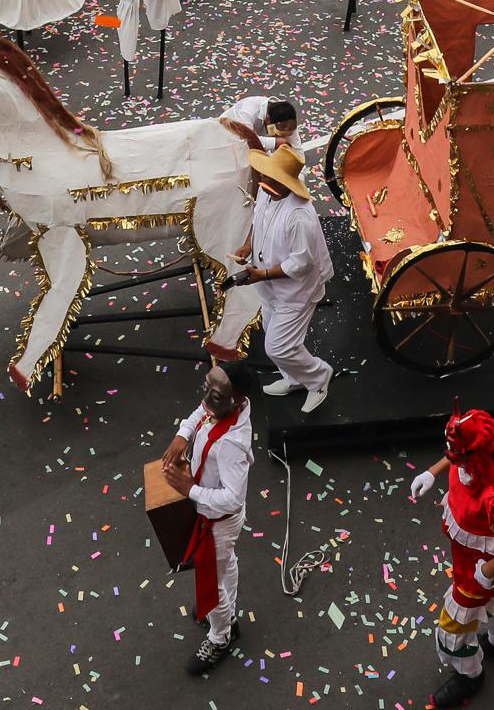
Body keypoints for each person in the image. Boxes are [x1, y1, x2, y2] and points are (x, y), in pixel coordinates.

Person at [409, 408, 494, 706]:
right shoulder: (467, 463)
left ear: (471, 453)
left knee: (451, 630)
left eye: (454, 450)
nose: (448, 453)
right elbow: (452, 460)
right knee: (492, 605)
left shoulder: (493, 496)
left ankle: (471, 676)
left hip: (477, 574)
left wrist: (487, 571)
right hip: (471, 564)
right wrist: (431, 472)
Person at [165, 361, 254, 676]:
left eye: (214, 397)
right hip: (211, 515)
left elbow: (233, 497)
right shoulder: (221, 406)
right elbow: (199, 412)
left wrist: (190, 490)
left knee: (209, 584)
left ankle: (221, 637)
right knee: (225, 565)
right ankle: (227, 617)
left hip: (219, 520)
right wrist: (183, 434)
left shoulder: (232, 444)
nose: (206, 402)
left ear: (235, 399)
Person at [230, 145, 332, 412]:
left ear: (285, 182)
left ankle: (318, 377)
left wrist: (261, 274)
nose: (262, 181)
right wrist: (247, 245)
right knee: (271, 331)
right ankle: (294, 377)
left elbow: (301, 263)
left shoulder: (300, 216)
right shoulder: (267, 192)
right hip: (270, 284)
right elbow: (257, 220)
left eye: (269, 178)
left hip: (296, 291)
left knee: (279, 347)